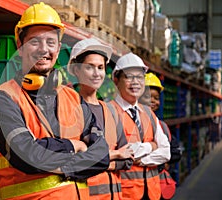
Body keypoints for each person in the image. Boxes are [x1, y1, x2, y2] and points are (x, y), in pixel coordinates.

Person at [0, 3, 110, 200]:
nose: (44, 49)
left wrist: (51, 156)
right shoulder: (3, 98)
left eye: (50, 42)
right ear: (20, 45)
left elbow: (102, 156)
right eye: (34, 42)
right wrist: (73, 146)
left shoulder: (73, 98)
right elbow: (26, 155)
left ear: (58, 48)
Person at [67, 38, 134, 199]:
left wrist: (99, 160)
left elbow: (128, 159)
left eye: (101, 67)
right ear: (76, 70)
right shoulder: (69, 108)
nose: (97, 74)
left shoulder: (111, 111)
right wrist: (116, 155)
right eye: (89, 67)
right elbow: (73, 162)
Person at [110, 52, 171, 200]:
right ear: (116, 80)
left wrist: (140, 158)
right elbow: (112, 155)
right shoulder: (108, 112)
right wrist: (151, 146)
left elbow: (166, 152)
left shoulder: (149, 114)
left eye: (139, 77)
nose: (135, 82)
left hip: (152, 193)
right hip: (125, 194)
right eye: (129, 77)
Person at [139, 72, 182, 200]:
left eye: (156, 98)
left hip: (157, 189)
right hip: (137, 190)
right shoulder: (132, 123)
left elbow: (175, 152)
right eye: (148, 96)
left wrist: (162, 163)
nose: (153, 101)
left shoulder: (161, 126)